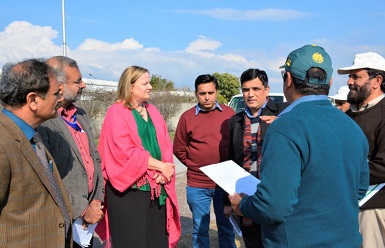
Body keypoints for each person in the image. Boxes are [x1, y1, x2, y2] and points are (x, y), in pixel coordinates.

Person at [229, 45, 370, 247]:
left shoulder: (285, 127)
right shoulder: (352, 127)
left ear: (287, 79)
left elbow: (273, 206)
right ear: (329, 82)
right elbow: (359, 189)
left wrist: (241, 205)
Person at [96, 65, 180, 248]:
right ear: (130, 86)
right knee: (132, 242)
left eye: (150, 82)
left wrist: (165, 171)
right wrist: (160, 166)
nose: (150, 86)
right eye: (145, 83)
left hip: (157, 187)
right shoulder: (116, 112)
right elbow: (124, 151)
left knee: (156, 241)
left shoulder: (153, 111)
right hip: (129, 191)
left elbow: (166, 145)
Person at [0, 59, 72, 247]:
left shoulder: (32, 136)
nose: (60, 99)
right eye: (56, 93)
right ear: (33, 100)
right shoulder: (3, 142)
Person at [37, 56, 104, 248]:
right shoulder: (43, 120)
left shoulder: (80, 114)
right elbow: (46, 175)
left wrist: (97, 199)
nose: (83, 85)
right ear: (58, 85)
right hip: (60, 219)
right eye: (77, 81)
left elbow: (95, 158)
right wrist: (82, 209)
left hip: (88, 219)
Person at [338, 52, 385, 247]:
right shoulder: (346, 117)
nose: (349, 82)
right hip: (344, 211)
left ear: (377, 81)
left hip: (373, 214)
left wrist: (339, 171)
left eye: (356, 76)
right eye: (350, 76)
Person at [223, 68, 288, 247]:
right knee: (252, 241)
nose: (250, 94)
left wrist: (283, 123)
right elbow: (231, 160)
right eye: (246, 90)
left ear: (267, 90)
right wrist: (226, 200)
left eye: (256, 89)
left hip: (273, 193)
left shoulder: (284, 112)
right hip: (246, 195)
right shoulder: (235, 122)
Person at [173, 74, 236, 248]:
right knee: (200, 229)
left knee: (226, 228)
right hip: (197, 184)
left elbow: (235, 146)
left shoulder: (229, 114)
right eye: (202, 93)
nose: (207, 97)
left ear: (216, 92)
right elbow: (178, 148)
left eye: (210, 92)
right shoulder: (187, 117)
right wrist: (195, 165)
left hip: (224, 184)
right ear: (196, 94)